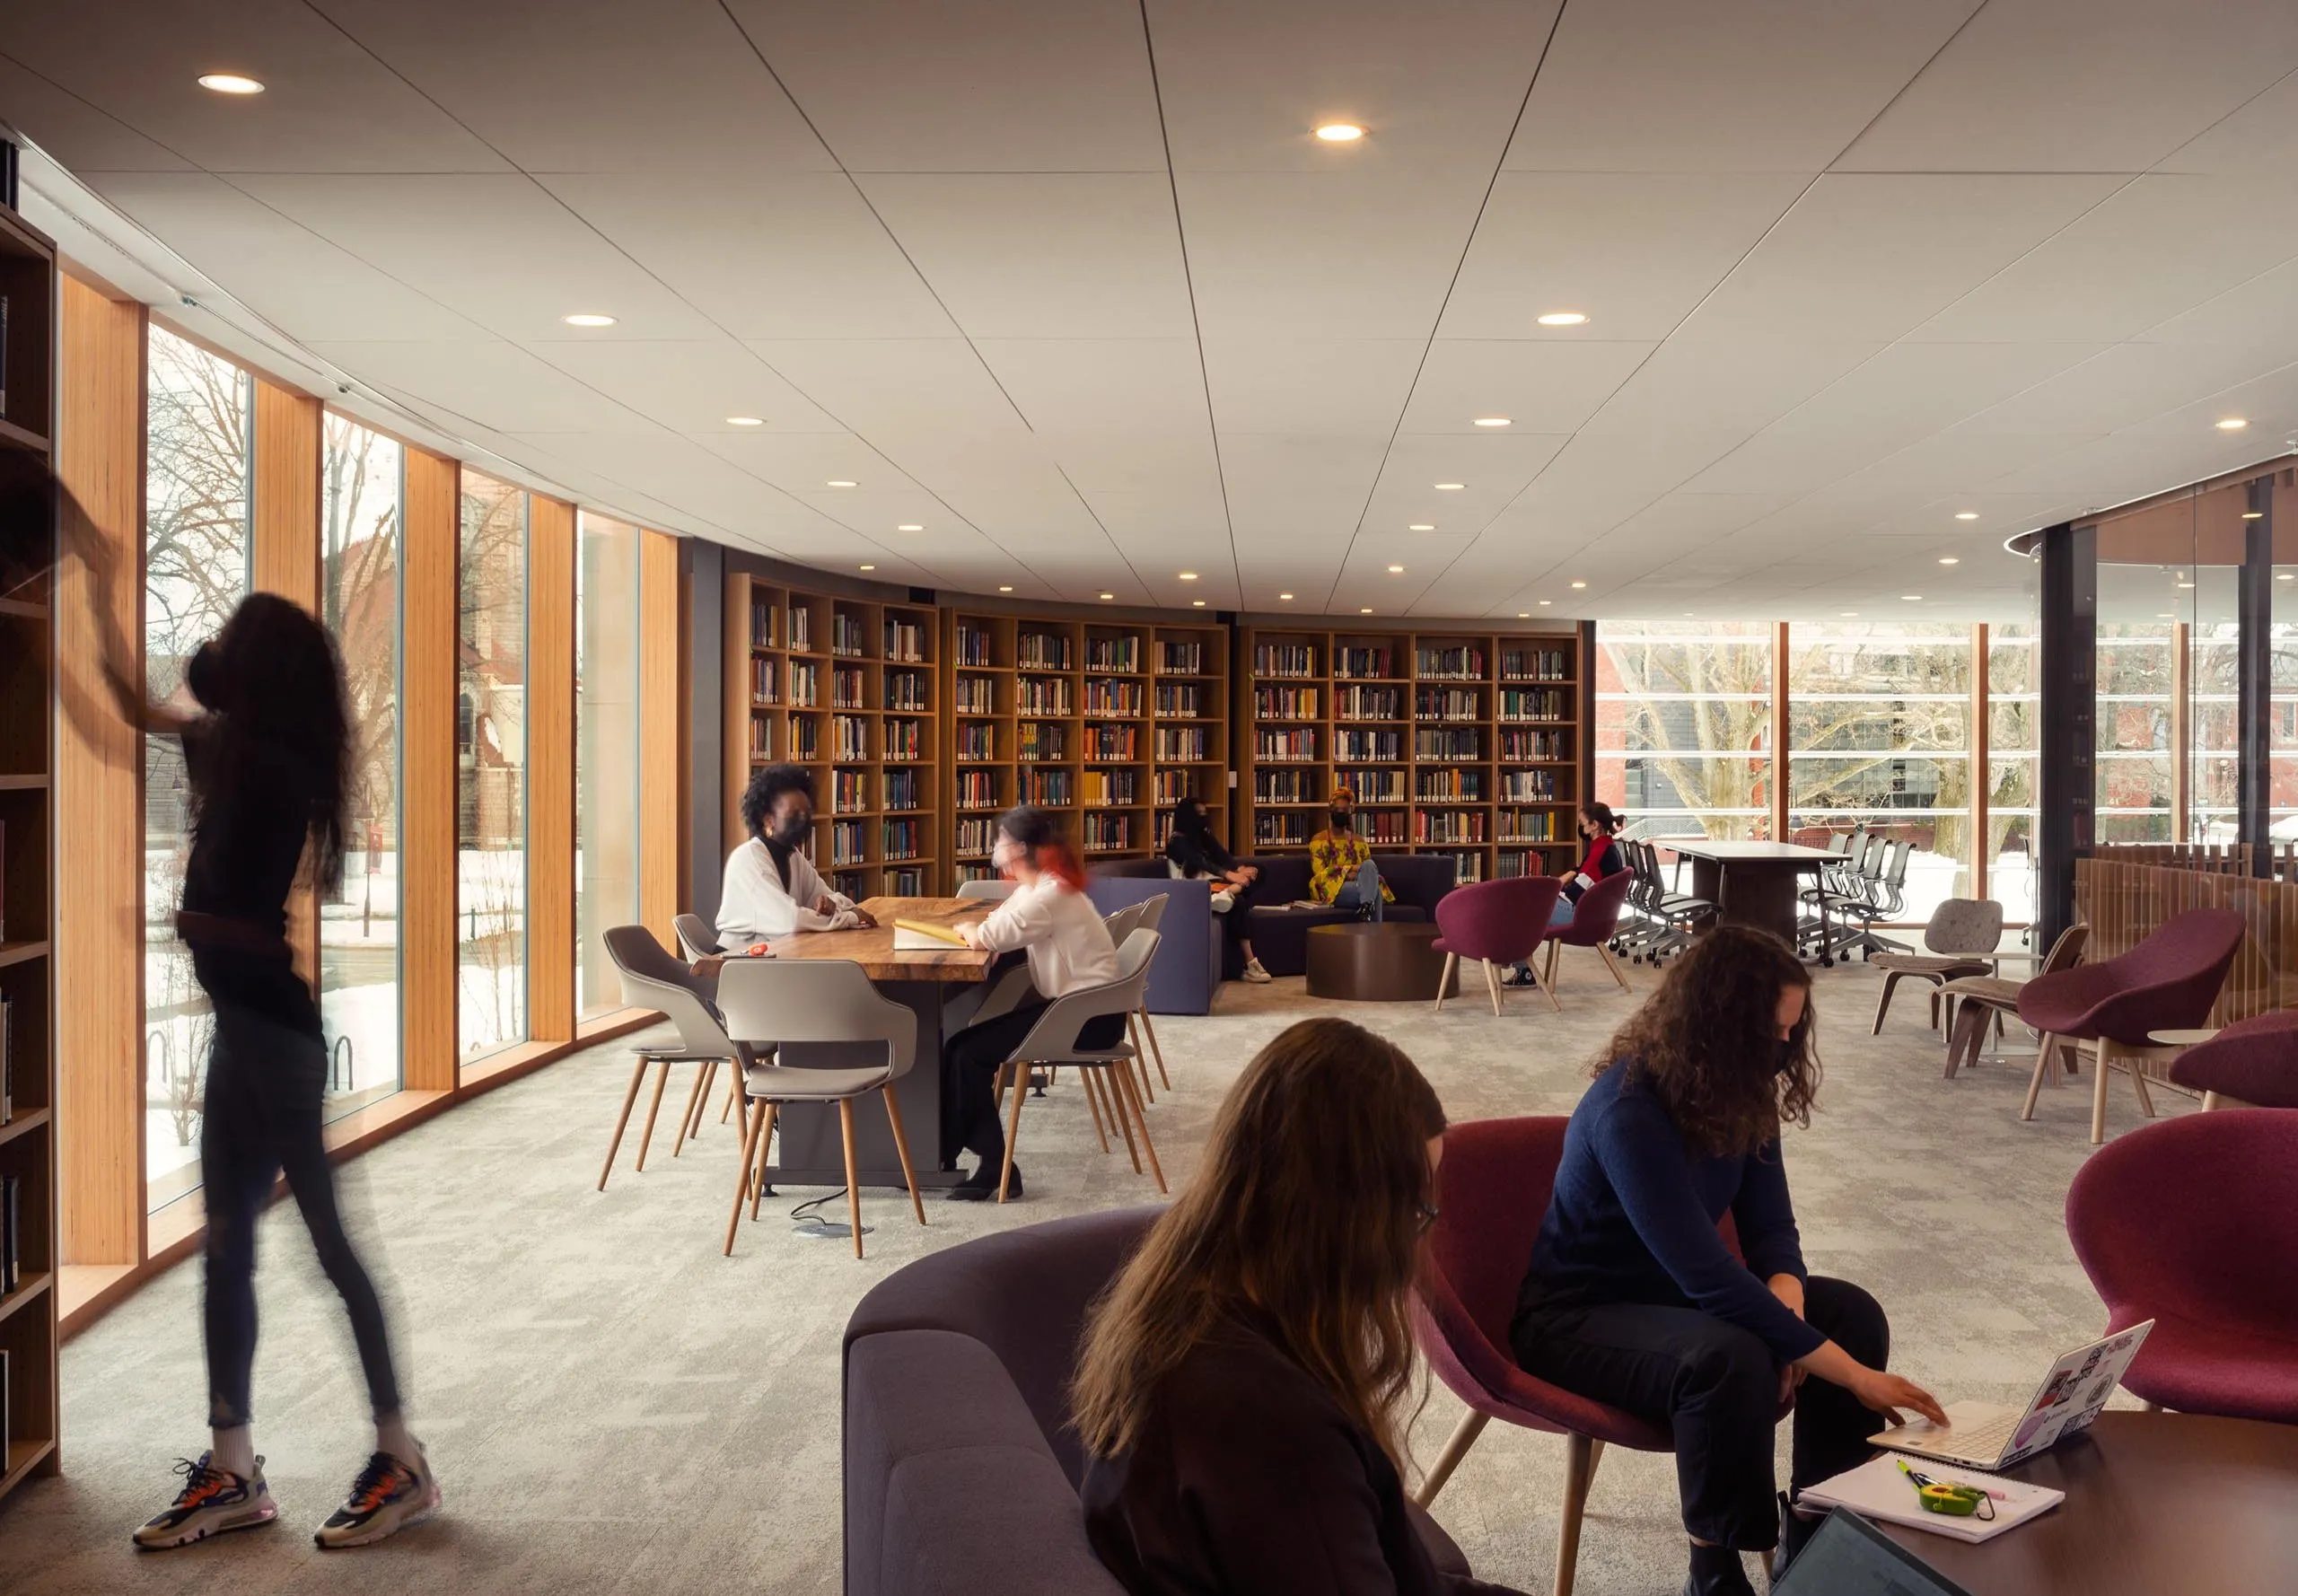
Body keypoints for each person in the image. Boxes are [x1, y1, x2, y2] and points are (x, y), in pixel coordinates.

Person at [84, 594, 439, 1550]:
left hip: (275, 1036)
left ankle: (401, 1458)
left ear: (262, 668)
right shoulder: (235, 744)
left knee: (327, 1240)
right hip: (241, 1030)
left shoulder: (275, 767)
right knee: (227, 1244)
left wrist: (185, 923)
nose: (216, 653)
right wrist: (89, 584)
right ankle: (233, 1466)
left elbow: (243, 924)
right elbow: (131, 704)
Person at [1508, 926, 1944, 1596]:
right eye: (1770, 1032)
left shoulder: (1742, 1091)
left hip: (1674, 1298)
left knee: (1851, 1312)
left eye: (1791, 1033)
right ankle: (1712, 1570)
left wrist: (1788, 1302)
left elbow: (1772, 1228)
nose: (1781, 1049)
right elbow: (1708, 1279)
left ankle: (1819, 1526)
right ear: (1716, 1024)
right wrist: (1854, 1377)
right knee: (1728, 1354)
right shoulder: (1630, 1111)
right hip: (1577, 1315)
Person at [1074, 1018, 1526, 1596]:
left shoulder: (1183, 1304)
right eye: (1416, 1211)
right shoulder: (1272, 1429)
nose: (1419, 1238)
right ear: (1348, 1218)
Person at [943, 806, 1123, 1200]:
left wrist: (973, 931)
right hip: (1085, 1009)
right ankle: (954, 1152)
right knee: (960, 1046)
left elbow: (988, 935)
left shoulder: (1049, 895)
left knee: (965, 1053)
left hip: (1085, 1018)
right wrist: (980, 930)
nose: (994, 848)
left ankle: (984, 1162)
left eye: (1000, 840)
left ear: (1019, 848)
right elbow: (1001, 923)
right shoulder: (1040, 887)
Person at [715, 763, 876, 948]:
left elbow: (833, 897)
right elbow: (790, 920)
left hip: (775, 956)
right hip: (734, 962)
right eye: (794, 814)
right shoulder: (749, 859)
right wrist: (850, 917)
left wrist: (831, 904)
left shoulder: (793, 856)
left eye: (806, 814)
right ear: (769, 819)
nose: (803, 820)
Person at [1506, 801, 1627, 986]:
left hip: (1581, 916)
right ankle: (1518, 966)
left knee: (1520, 908)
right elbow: (1585, 873)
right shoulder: (1607, 847)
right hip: (1595, 914)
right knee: (1524, 906)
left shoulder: (1599, 853)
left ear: (1594, 825)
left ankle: (1519, 968)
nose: (1580, 827)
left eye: (1582, 823)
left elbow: (1576, 893)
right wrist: (1571, 873)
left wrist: (1553, 890)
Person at [1165, 796, 1269, 983]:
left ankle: (1228, 893)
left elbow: (1221, 854)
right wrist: (1231, 876)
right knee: (1239, 903)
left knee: (1259, 871)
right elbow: (1200, 862)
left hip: (1216, 887)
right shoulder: (1177, 841)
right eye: (1199, 814)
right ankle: (1250, 964)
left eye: (1205, 813)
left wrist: (1239, 870)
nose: (1203, 817)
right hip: (1193, 891)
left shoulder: (1203, 835)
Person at [1308, 786, 1391, 922]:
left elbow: (1368, 870)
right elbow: (1320, 874)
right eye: (1337, 810)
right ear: (1331, 812)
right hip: (1331, 888)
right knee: (1375, 893)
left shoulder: (1359, 841)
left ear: (1351, 813)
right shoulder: (1319, 840)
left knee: (1370, 866)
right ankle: (1373, 936)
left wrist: (1355, 872)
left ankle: (1366, 909)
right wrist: (1351, 871)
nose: (1340, 813)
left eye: (1344, 811)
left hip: (1359, 884)